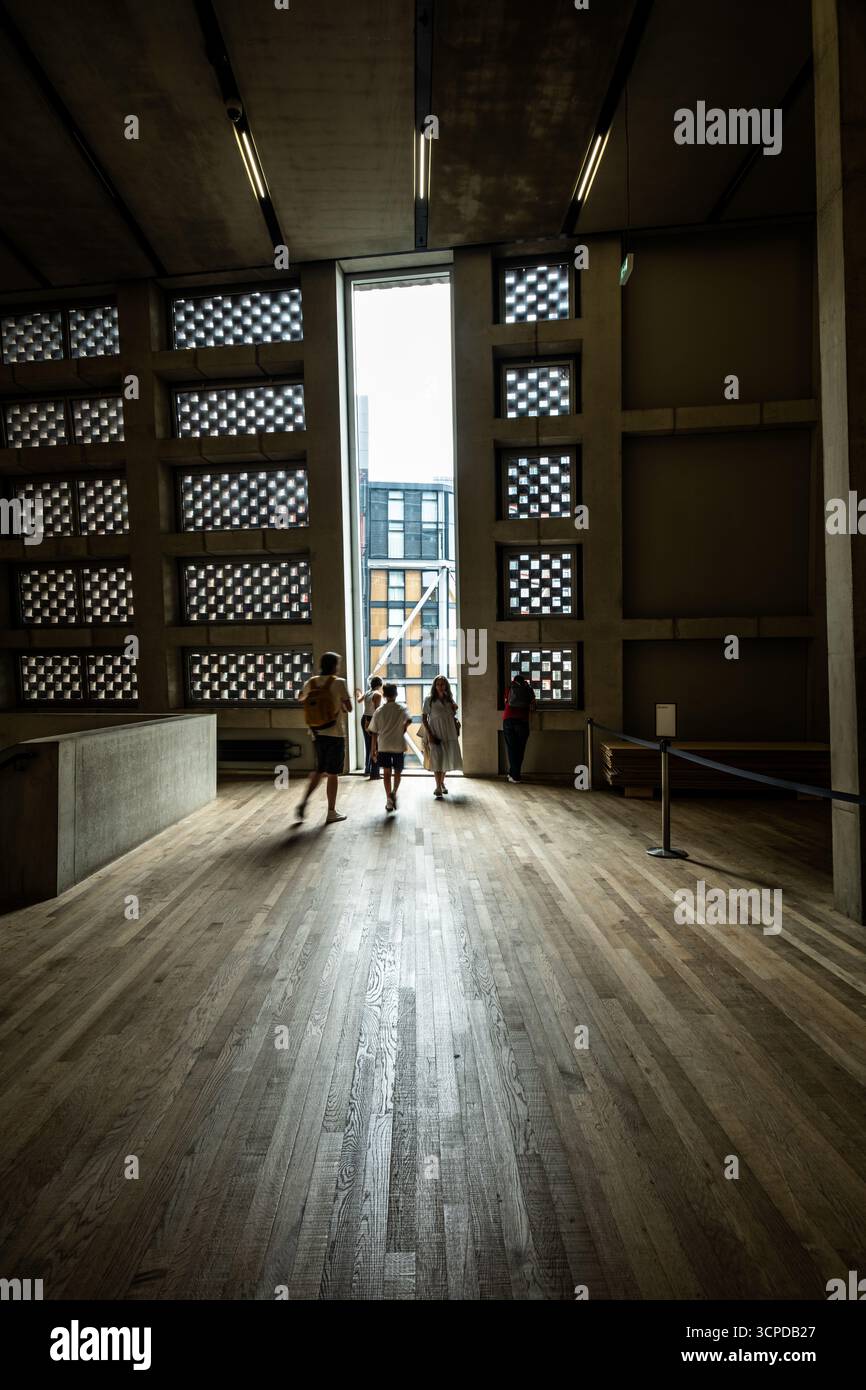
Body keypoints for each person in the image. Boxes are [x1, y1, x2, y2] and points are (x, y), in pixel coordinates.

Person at [295, 652, 353, 825]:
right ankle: (331, 811)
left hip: (316, 733)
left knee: (320, 770)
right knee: (333, 773)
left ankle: (304, 800)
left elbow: (300, 698)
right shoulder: (339, 683)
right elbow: (349, 708)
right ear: (335, 665)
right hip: (334, 734)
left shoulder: (310, 682)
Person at [368, 682, 410, 813]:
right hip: (398, 745)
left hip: (384, 745)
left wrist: (373, 749)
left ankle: (388, 800)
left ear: (384, 695)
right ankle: (394, 792)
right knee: (397, 771)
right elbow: (408, 720)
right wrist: (402, 729)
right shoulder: (402, 708)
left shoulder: (379, 711)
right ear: (396, 694)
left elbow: (373, 731)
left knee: (386, 772)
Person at [422, 674, 462, 798]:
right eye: (438, 684)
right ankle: (438, 786)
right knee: (436, 758)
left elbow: (453, 714)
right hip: (435, 731)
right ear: (435, 686)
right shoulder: (429, 699)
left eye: (442, 684)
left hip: (448, 731)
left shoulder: (449, 698)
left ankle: (441, 782)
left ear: (446, 686)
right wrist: (430, 734)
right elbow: (424, 718)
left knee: (446, 757)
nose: (440, 686)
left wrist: (454, 708)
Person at [502, 671, 536, 783]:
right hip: (523, 720)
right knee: (520, 749)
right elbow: (533, 705)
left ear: (514, 680)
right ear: (523, 681)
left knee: (512, 749)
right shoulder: (528, 689)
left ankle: (514, 775)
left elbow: (505, 702)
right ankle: (514, 774)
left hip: (509, 720)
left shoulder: (509, 688)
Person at [355, 675, 383, 779]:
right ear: (380, 685)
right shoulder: (377, 694)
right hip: (372, 720)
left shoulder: (367, 693)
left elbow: (359, 700)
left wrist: (358, 693)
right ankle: (375, 772)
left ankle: (367, 769)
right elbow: (377, 711)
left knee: (368, 745)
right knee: (375, 746)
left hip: (364, 719)